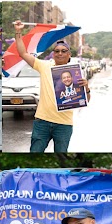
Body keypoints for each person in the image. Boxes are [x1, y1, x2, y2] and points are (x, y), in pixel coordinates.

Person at [13, 20, 90, 152]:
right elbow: (23, 54)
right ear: (53, 54)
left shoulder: (76, 73)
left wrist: (87, 89)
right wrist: (18, 32)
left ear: (69, 54)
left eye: (63, 51)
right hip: (42, 121)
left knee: (61, 155)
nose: (60, 53)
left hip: (64, 125)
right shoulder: (44, 65)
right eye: (57, 51)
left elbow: (85, 100)